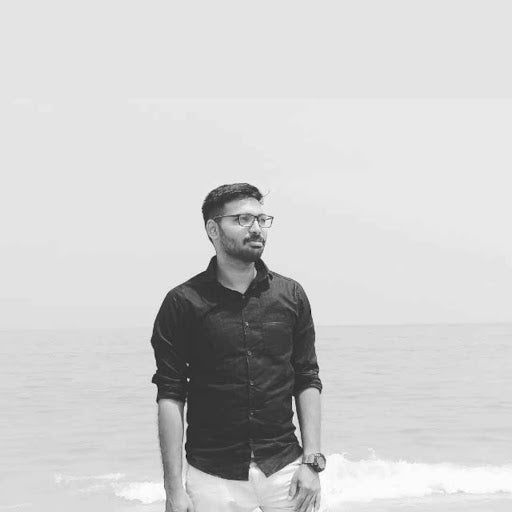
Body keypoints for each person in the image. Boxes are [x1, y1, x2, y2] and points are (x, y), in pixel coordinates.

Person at [150, 183, 325, 512]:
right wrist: (173, 489)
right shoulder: (182, 303)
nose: (256, 228)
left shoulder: (291, 295)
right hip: (212, 477)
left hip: (286, 470)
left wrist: (312, 463)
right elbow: (171, 394)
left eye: (261, 219)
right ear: (213, 229)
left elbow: (307, 377)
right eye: (243, 219)